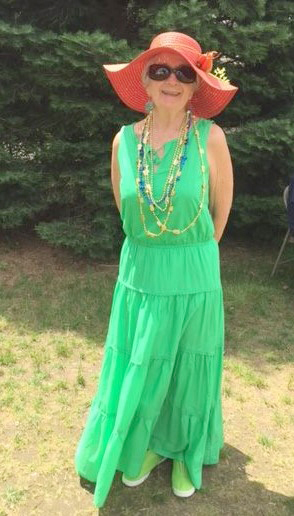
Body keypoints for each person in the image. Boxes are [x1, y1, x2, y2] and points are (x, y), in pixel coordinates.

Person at [74, 31, 238, 509]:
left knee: (189, 365)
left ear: (195, 84)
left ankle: (186, 450)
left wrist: (194, 256)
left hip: (193, 271)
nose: (171, 80)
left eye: (183, 72)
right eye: (160, 70)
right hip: (141, 271)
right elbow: (128, 208)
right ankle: (145, 444)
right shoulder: (123, 140)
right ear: (144, 79)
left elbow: (221, 210)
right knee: (142, 361)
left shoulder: (212, 138)